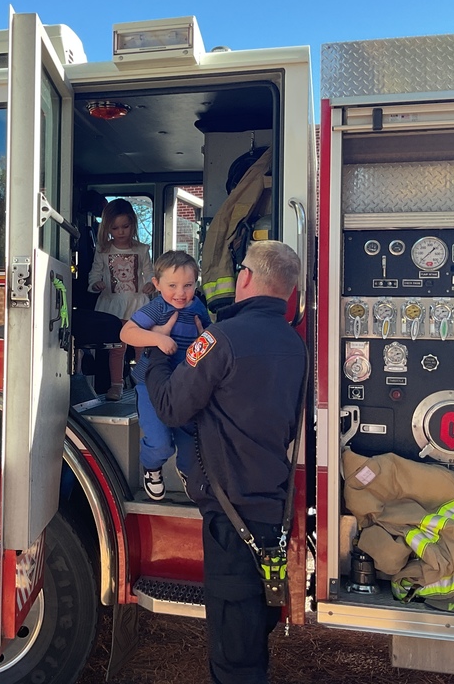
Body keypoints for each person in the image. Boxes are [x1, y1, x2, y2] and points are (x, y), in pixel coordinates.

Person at [145, 240, 306, 684]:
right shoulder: (295, 346)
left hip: (229, 511)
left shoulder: (219, 338)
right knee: (253, 623)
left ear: (246, 279)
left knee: (235, 648)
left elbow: (173, 407)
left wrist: (154, 358)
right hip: (269, 506)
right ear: (289, 291)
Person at [120, 250, 210, 500]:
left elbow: (209, 336)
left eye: (188, 285)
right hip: (150, 386)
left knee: (190, 439)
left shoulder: (198, 308)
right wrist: (158, 338)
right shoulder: (158, 308)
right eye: (172, 285)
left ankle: (187, 472)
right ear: (157, 284)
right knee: (160, 442)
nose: (180, 293)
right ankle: (151, 467)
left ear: (196, 284)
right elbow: (126, 333)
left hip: (185, 386)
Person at [87, 198, 153, 400]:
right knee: (117, 347)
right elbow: (94, 274)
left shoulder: (141, 250)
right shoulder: (103, 250)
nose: (121, 231)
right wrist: (96, 284)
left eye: (125, 226)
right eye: (115, 228)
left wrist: (151, 284)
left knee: (141, 345)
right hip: (112, 306)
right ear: (108, 228)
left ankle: (142, 382)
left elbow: (149, 273)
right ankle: (116, 385)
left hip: (137, 304)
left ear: (133, 224)